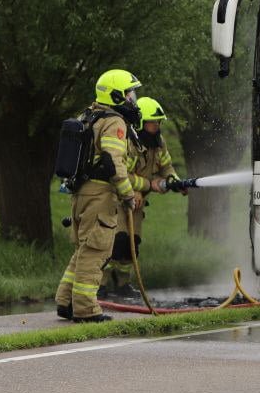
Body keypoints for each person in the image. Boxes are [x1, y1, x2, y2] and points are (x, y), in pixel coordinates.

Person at [55, 70, 142, 323]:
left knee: (84, 249)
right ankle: (85, 309)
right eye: (129, 94)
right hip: (100, 195)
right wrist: (127, 194)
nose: (132, 99)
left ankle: (65, 301)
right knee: (95, 252)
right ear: (116, 95)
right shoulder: (114, 122)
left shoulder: (89, 115)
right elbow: (113, 161)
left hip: (82, 193)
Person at [101, 96, 184, 299]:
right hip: (118, 200)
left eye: (158, 122)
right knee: (115, 242)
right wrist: (147, 185)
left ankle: (122, 284)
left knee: (132, 244)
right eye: (152, 122)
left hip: (136, 204)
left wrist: (174, 180)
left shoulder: (158, 142)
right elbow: (123, 175)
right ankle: (101, 285)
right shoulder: (129, 143)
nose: (156, 126)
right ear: (140, 123)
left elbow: (167, 166)